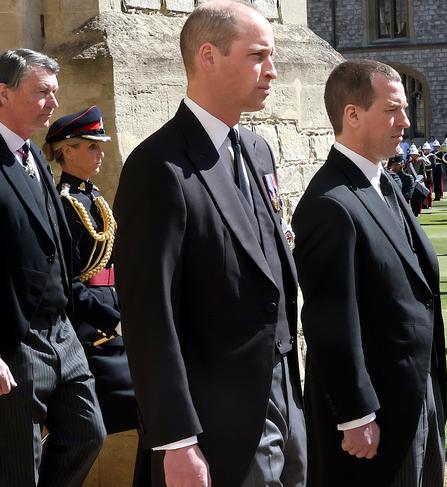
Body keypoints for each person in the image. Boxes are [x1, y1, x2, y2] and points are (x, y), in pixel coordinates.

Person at [113, 2, 307, 486]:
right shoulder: (159, 166)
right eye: (258, 55)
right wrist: (176, 439)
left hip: (284, 393)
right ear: (208, 56)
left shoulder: (256, 150)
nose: (273, 72)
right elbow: (149, 313)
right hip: (216, 416)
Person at [292, 59, 447, 487]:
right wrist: (356, 413)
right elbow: (330, 319)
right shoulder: (330, 203)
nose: (406, 121)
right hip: (377, 410)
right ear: (353, 115)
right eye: (393, 109)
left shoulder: (385, 186)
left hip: (414, 391)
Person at [0, 48, 106, 486]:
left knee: (88, 433)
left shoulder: (33, 158)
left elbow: (58, 250)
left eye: (55, 93)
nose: (53, 103)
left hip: (61, 333)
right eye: (42, 92)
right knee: (19, 465)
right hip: (15, 339)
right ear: (3, 94)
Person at [43, 106, 149, 485]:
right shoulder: (64, 203)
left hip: (115, 321)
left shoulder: (94, 199)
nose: (100, 154)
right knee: (94, 429)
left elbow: (114, 264)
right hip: (92, 332)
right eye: (91, 147)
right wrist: (113, 319)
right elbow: (69, 283)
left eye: (100, 147)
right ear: (67, 151)